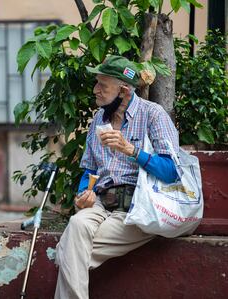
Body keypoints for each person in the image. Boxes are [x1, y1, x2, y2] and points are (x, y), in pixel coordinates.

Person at [54, 55, 179, 299]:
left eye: (103, 85)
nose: (95, 90)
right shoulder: (98, 122)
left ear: (123, 91)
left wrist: (132, 150)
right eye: (96, 83)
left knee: (69, 251)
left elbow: (172, 170)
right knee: (78, 223)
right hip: (101, 204)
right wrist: (84, 194)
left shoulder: (153, 115)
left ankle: (65, 253)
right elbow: (89, 170)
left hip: (138, 209)